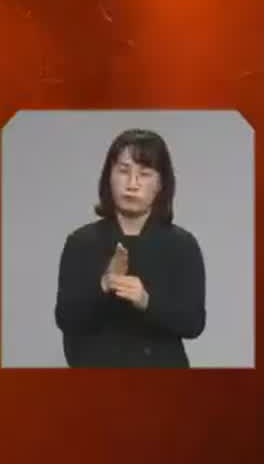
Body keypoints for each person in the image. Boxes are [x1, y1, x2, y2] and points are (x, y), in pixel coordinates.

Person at [53, 128, 207, 367]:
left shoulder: (182, 245)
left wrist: (146, 301)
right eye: (123, 171)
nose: (132, 184)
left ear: (160, 184)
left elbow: (194, 323)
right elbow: (65, 319)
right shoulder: (81, 242)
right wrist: (105, 284)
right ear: (109, 177)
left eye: (144, 174)